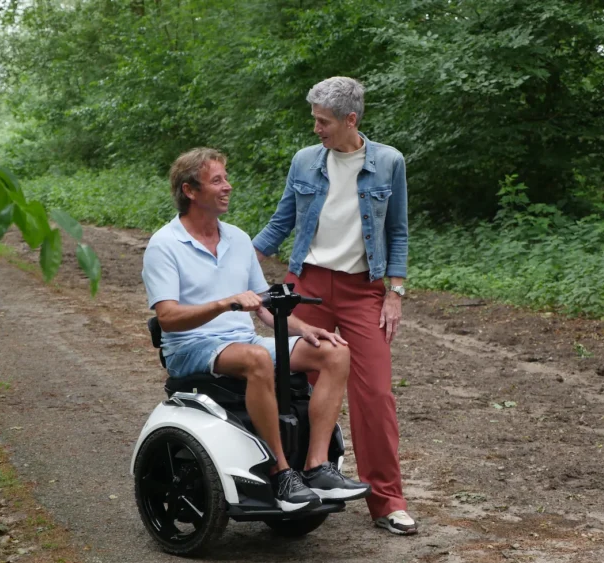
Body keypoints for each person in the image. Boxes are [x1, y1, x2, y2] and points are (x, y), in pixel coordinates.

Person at [141, 147, 370, 512]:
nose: (227, 186)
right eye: (217, 180)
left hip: (242, 341)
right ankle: (281, 475)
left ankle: (316, 469)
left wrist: (306, 329)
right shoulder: (164, 244)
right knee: (257, 357)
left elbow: (263, 305)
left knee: (334, 351)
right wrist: (224, 303)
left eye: (226, 178)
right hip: (190, 347)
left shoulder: (237, 239)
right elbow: (168, 318)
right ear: (190, 191)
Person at [253, 77, 416, 535]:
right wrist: (235, 260)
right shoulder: (306, 161)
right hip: (305, 285)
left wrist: (394, 293)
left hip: (363, 290)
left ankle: (387, 502)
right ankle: (291, 485)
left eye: (323, 121)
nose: (316, 129)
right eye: (314, 120)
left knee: (376, 395)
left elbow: (398, 232)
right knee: (292, 386)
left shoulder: (388, 163)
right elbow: (282, 220)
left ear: (351, 120)